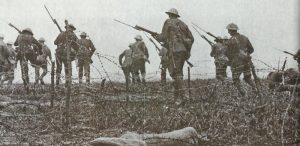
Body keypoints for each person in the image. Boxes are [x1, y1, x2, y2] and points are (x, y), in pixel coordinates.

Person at [153, 8, 194, 98]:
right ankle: (177, 96)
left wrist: (156, 36)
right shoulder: (183, 24)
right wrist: (187, 51)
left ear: (170, 15)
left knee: (176, 73)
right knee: (178, 72)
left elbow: (163, 37)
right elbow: (191, 38)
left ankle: (183, 97)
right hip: (183, 51)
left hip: (174, 51)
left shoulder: (168, 22)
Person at [225, 23, 256, 96]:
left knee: (235, 79)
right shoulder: (245, 37)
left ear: (231, 31)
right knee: (247, 77)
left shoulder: (230, 40)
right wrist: (245, 54)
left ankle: (244, 94)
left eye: (228, 30)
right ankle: (256, 90)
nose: (228, 32)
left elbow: (227, 53)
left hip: (236, 62)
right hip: (246, 61)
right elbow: (251, 50)